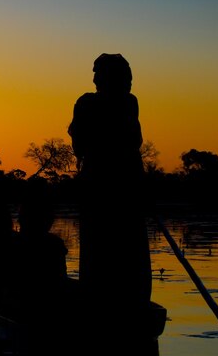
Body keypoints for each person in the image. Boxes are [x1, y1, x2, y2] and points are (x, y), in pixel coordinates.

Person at [67, 53, 152, 317]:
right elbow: (134, 141)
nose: (93, 78)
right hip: (121, 186)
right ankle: (127, 303)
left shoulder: (88, 104)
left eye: (97, 73)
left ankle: (102, 303)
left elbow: (78, 145)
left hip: (106, 187)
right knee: (123, 248)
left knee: (102, 248)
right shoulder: (129, 102)